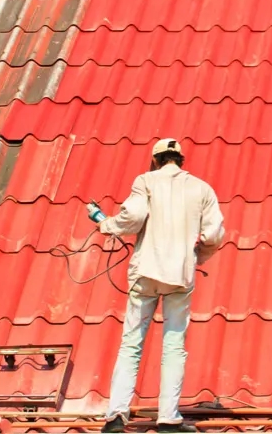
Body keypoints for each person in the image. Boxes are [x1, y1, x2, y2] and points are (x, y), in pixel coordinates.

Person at [99, 138, 226, 434]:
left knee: (131, 344)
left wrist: (106, 225)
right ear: (180, 160)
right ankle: (168, 418)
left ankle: (116, 417)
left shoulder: (145, 181)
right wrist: (198, 256)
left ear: (156, 159)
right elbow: (215, 233)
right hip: (180, 276)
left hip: (145, 272)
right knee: (174, 346)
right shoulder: (202, 189)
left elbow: (133, 217)